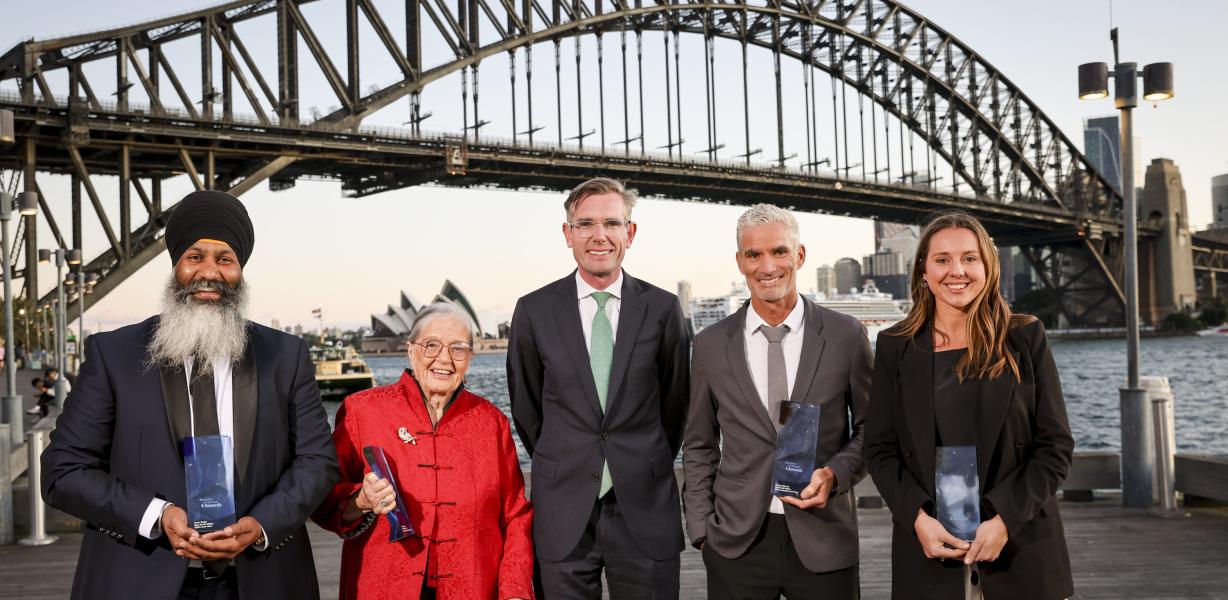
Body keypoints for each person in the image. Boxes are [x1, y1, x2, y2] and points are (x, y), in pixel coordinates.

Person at [41, 190, 339, 599]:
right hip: (138, 578)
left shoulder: (285, 356)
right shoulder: (114, 355)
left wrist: (261, 525)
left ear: (241, 269)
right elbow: (63, 470)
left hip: (258, 579)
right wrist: (156, 514)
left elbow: (317, 462)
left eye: (225, 259)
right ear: (176, 265)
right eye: (195, 257)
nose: (210, 272)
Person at [864, 210, 1074, 600]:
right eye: (942, 259)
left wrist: (1005, 520)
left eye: (969, 258)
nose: (956, 270)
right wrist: (916, 519)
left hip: (1019, 548)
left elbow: (1055, 447)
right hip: (929, 549)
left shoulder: (1024, 337)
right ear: (924, 271)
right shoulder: (895, 346)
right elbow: (879, 448)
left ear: (988, 267)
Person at [507, 177, 690, 598]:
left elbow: (675, 404)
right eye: (585, 224)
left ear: (631, 232)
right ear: (567, 234)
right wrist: (573, 455)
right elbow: (528, 408)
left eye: (611, 223)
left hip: (644, 505)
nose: (599, 236)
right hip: (563, 509)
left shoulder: (663, 310)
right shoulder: (533, 311)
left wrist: (637, 457)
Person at [683, 204, 871, 599]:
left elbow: (872, 431)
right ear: (740, 262)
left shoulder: (846, 337)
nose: (767, 266)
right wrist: (701, 529)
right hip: (737, 543)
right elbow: (699, 444)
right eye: (754, 255)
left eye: (779, 251)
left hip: (825, 538)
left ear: (799, 255)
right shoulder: (710, 345)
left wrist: (835, 474)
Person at [314, 302, 534, 600]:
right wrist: (361, 500)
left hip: (472, 587)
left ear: (470, 357)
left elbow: (516, 515)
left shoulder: (491, 422)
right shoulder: (362, 411)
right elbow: (322, 498)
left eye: (458, 348)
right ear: (410, 349)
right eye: (431, 345)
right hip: (384, 586)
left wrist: (515, 592)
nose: (444, 358)